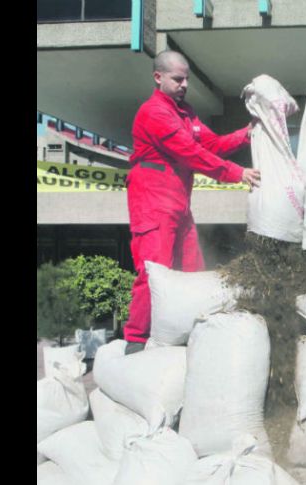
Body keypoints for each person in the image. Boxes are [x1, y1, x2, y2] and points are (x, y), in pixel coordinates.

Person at [122, 50, 261, 354]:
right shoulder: (154, 113)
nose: (185, 84)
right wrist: (237, 172)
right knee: (154, 271)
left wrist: (245, 134)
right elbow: (191, 154)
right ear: (158, 78)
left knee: (192, 270)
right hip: (153, 200)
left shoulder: (187, 113)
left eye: (187, 79)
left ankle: (191, 333)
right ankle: (135, 340)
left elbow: (211, 144)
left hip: (179, 203)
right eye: (178, 78)